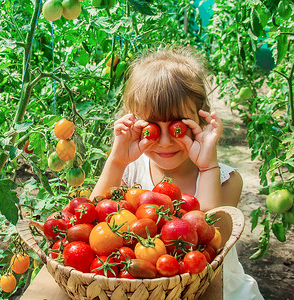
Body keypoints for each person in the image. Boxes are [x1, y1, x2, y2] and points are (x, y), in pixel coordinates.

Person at [90, 46, 264, 300]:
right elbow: (93, 219)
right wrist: (117, 160)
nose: (164, 142)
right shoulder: (127, 172)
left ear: (200, 118)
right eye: (151, 127)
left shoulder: (227, 180)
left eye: (177, 128)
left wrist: (207, 167)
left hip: (214, 289)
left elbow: (204, 240)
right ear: (134, 122)